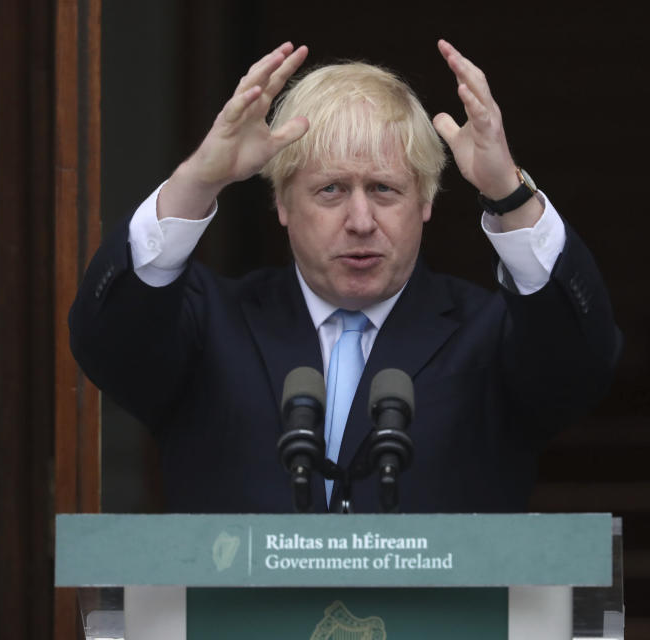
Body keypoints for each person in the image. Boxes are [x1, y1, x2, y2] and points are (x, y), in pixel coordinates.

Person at [69, 40, 621, 514]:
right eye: (330, 190)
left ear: (425, 201)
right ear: (282, 202)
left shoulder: (491, 333)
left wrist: (511, 195)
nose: (361, 222)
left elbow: (583, 359)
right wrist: (196, 182)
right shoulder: (209, 324)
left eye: (385, 189)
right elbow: (107, 341)